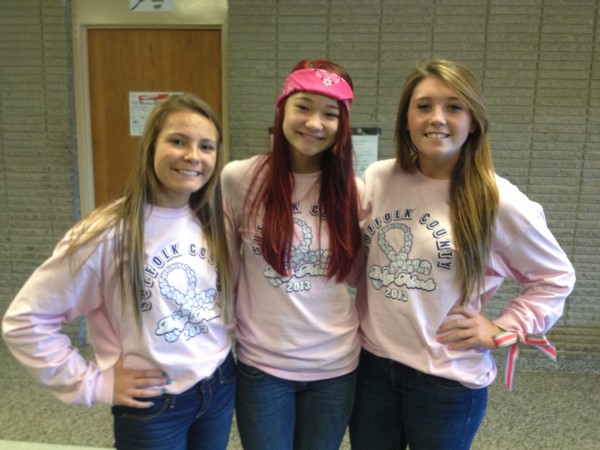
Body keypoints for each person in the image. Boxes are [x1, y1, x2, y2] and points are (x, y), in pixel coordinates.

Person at [349, 59, 576, 450]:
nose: (437, 118)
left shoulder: (498, 200)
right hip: (371, 368)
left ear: (473, 121)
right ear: (406, 119)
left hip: (446, 379)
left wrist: (503, 329)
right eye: (423, 106)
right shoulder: (378, 179)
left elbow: (555, 277)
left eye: (453, 106)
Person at [2, 94, 236, 450]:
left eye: (206, 146)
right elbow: (25, 321)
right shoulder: (107, 234)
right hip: (155, 403)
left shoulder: (211, 220)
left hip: (218, 384)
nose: (193, 155)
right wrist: (93, 383)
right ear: (150, 146)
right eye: (177, 141)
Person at [221, 59, 362, 450]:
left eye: (330, 113)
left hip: (335, 367)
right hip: (262, 366)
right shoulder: (239, 179)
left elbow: (362, 276)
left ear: (342, 124)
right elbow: (223, 268)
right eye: (303, 106)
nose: (314, 123)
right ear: (282, 107)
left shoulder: (355, 192)